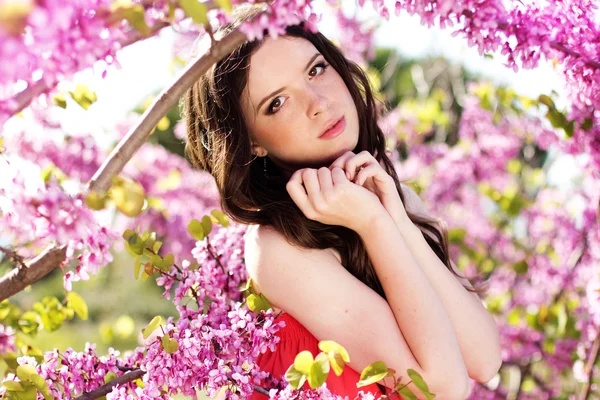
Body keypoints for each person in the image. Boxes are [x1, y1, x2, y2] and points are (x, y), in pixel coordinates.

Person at [183, 5, 501, 399]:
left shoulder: (388, 195)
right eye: (277, 103)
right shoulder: (278, 247)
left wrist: (393, 217)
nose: (317, 102)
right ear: (252, 142)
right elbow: (441, 389)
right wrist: (374, 223)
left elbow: (485, 359)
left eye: (316, 69)